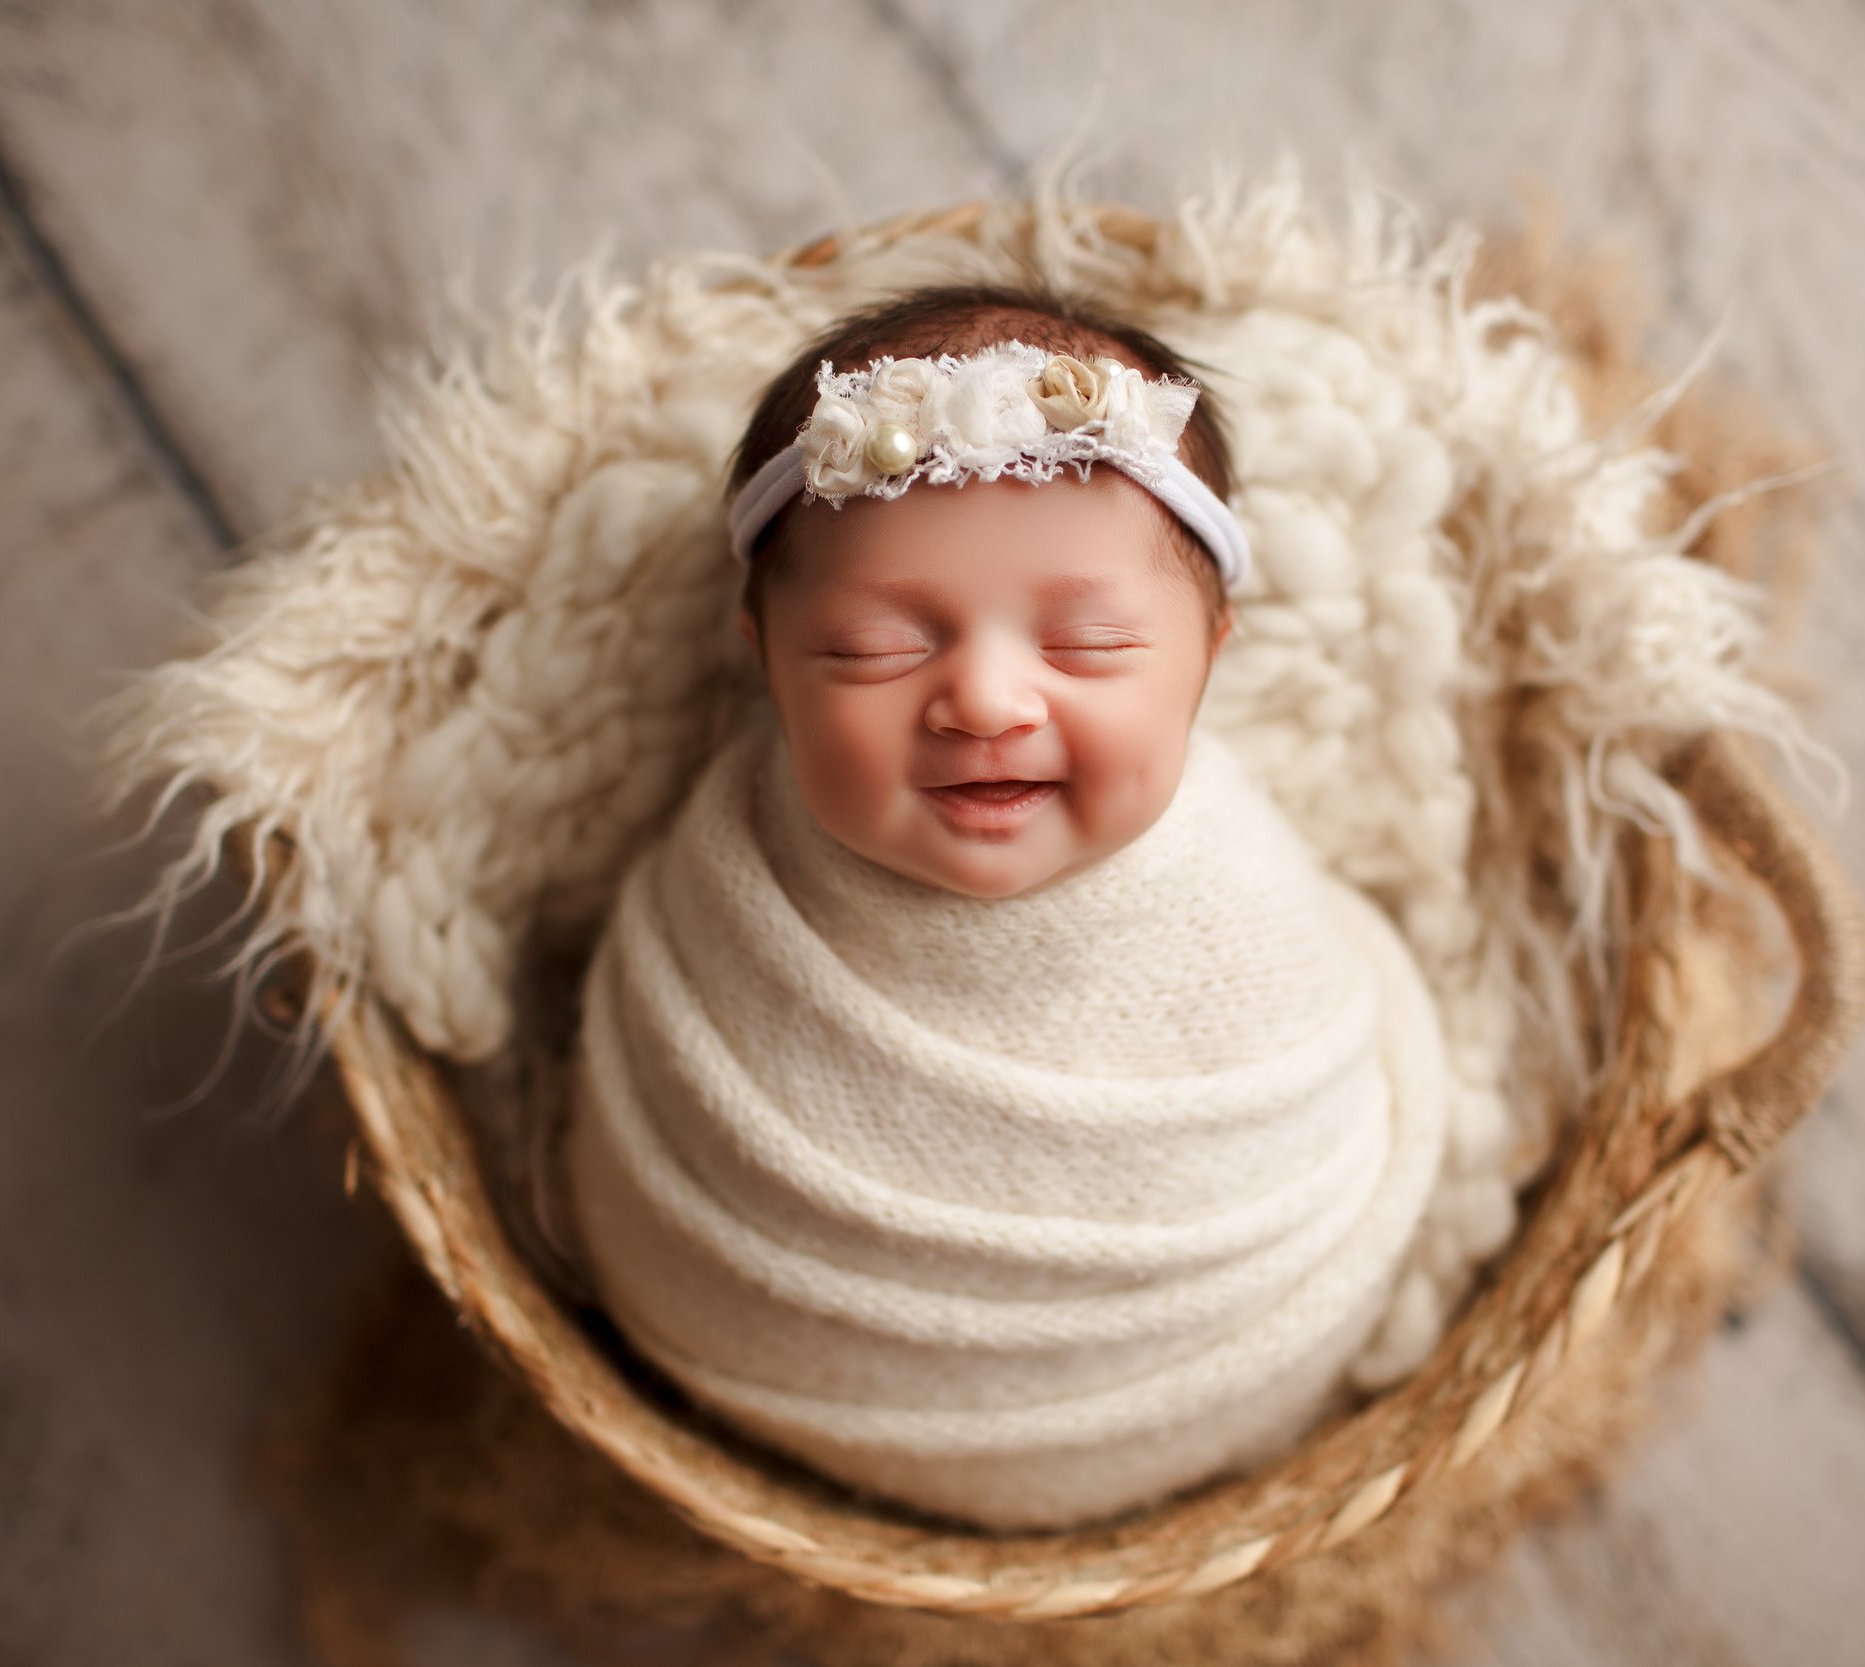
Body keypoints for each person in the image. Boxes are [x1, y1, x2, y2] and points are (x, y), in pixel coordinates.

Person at [560, 287, 1450, 1529]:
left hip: (1194, 1366)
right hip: (754, 1363)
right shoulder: (729, 877)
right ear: (764, 655)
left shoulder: (1238, 892)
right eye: (874, 648)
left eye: (1085, 643)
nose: (983, 699)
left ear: (1210, 649)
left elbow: (1314, 1123)